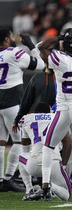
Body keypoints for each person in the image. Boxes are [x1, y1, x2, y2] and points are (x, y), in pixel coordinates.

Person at [31, 28, 72, 199]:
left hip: (65, 108)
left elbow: (42, 47)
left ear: (64, 45)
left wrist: (60, 37)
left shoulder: (60, 59)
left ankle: (45, 185)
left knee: (48, 146)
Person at [0, 28, 45, 191]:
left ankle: (0, 179)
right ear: (6, 39)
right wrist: (31, 46)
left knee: (1, 142)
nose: (13, 38)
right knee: (19, 140)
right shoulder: (14, 52)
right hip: (11, 99)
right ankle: (8, 178)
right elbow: (39, 65)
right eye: (11, 36)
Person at [19, 102, 72, 201]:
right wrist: (64, 165)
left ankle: (29, 189)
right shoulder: (56, 118)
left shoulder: (27, 119)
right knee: (66, 195)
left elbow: (24, 143)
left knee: (22, 156)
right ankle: (50, 186)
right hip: (54, 164)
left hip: (33, 165)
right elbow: (68, 143)